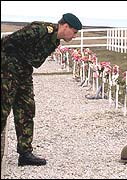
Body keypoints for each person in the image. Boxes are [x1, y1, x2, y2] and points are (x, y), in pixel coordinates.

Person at [1, 13, 82, 166]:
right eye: (75, 32)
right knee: (3, 109)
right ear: (65, 27)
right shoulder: (41, 30)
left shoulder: (55, 40)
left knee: (27, 109)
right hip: (8, 70)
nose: (75, 36)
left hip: (24, 72)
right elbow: (9, 41)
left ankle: (25, 154)